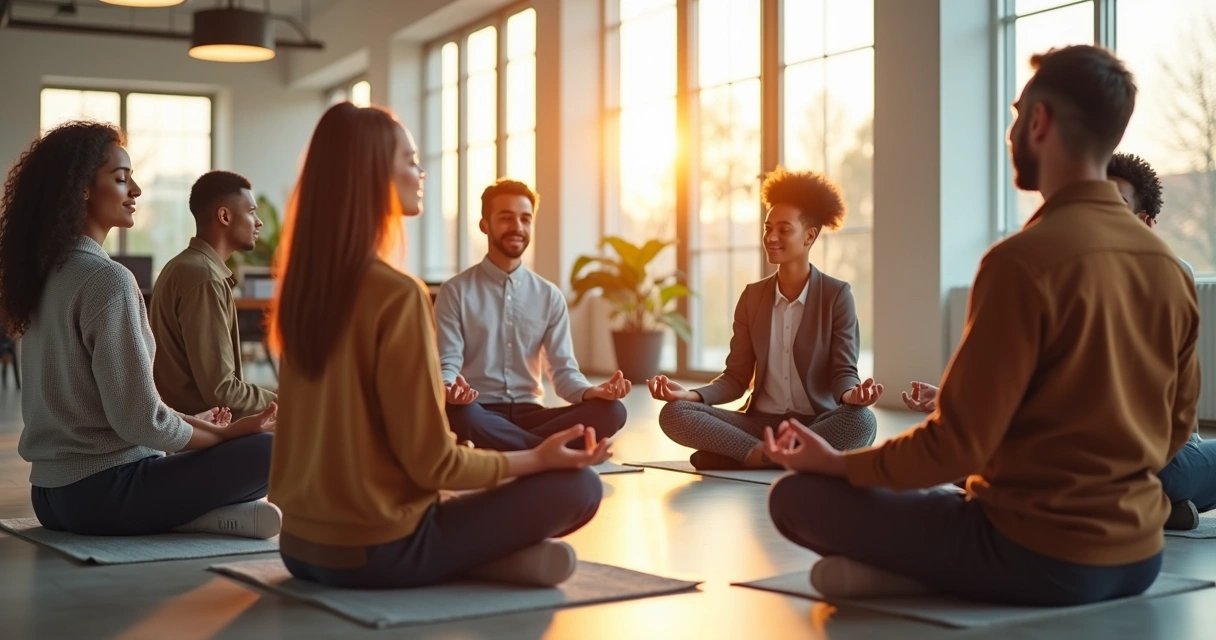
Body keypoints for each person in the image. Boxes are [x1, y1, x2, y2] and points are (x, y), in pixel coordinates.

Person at [766, 45, 1200, 606]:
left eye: (1018, 113)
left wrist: (836, 464)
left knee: (797, 496)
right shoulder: (1170, 270)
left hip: (1037, 554)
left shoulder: (1021, 261)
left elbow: (956, 447)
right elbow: (1177, 428)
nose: (1012, 128)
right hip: (1139, 558)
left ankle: (924, 577)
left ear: (1039, 122)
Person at [267, 103, 610, 590]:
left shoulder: (304, 291)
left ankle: (487, 558)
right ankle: (492, 559)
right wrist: (540, 459)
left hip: (299, 548)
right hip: (375, 551)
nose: (420, 171)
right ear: (374, 173)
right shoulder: (397, 293)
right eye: (409, 159)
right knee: (580, 486)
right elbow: (435, 465)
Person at [0, 121, 279, 539]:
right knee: (272, 450)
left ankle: (197, 514)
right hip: (103, 495)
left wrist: (204, 428)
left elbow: (126, 411)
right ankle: (201, 515)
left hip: (50, 497)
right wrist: (226, 435)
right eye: (121, 179)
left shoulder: (46, 276)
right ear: (82, 188)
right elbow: (139, 422)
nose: (136, 192)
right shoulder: (106, 279)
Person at [647, 167, 881, 470]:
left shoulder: (837, 295)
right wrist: (691, 394)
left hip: (814, 426)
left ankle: (748, 456)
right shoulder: (752, 296)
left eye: (784, 230)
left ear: (809, 236)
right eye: (768, 227)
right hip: (758, 425)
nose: (771, 237)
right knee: (675, 413)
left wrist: (853, 395)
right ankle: (780, 457)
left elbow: (842, 371)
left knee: (862, 422)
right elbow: (735, 379)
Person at [434, 178, 629, 452]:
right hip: (478, 411)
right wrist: (451, 390)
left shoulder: (549, 296)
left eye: (525, 219)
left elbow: (563, 372)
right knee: (457, 416)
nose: (517, 227)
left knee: (613, 411)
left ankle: (521, 452)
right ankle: (548, 454)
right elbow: (448, 363)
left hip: (533, 415)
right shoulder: (454, 292)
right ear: (484, 224)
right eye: (506, 218)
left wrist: (592, 391)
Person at [150, 170, 276, 420]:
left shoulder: (185, 266)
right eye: (251, 212)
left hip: (190, 426)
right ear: (224, 216)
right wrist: (285, 402)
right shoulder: (204, 278)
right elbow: (223, 392)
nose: (258, 221)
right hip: (199, 435)